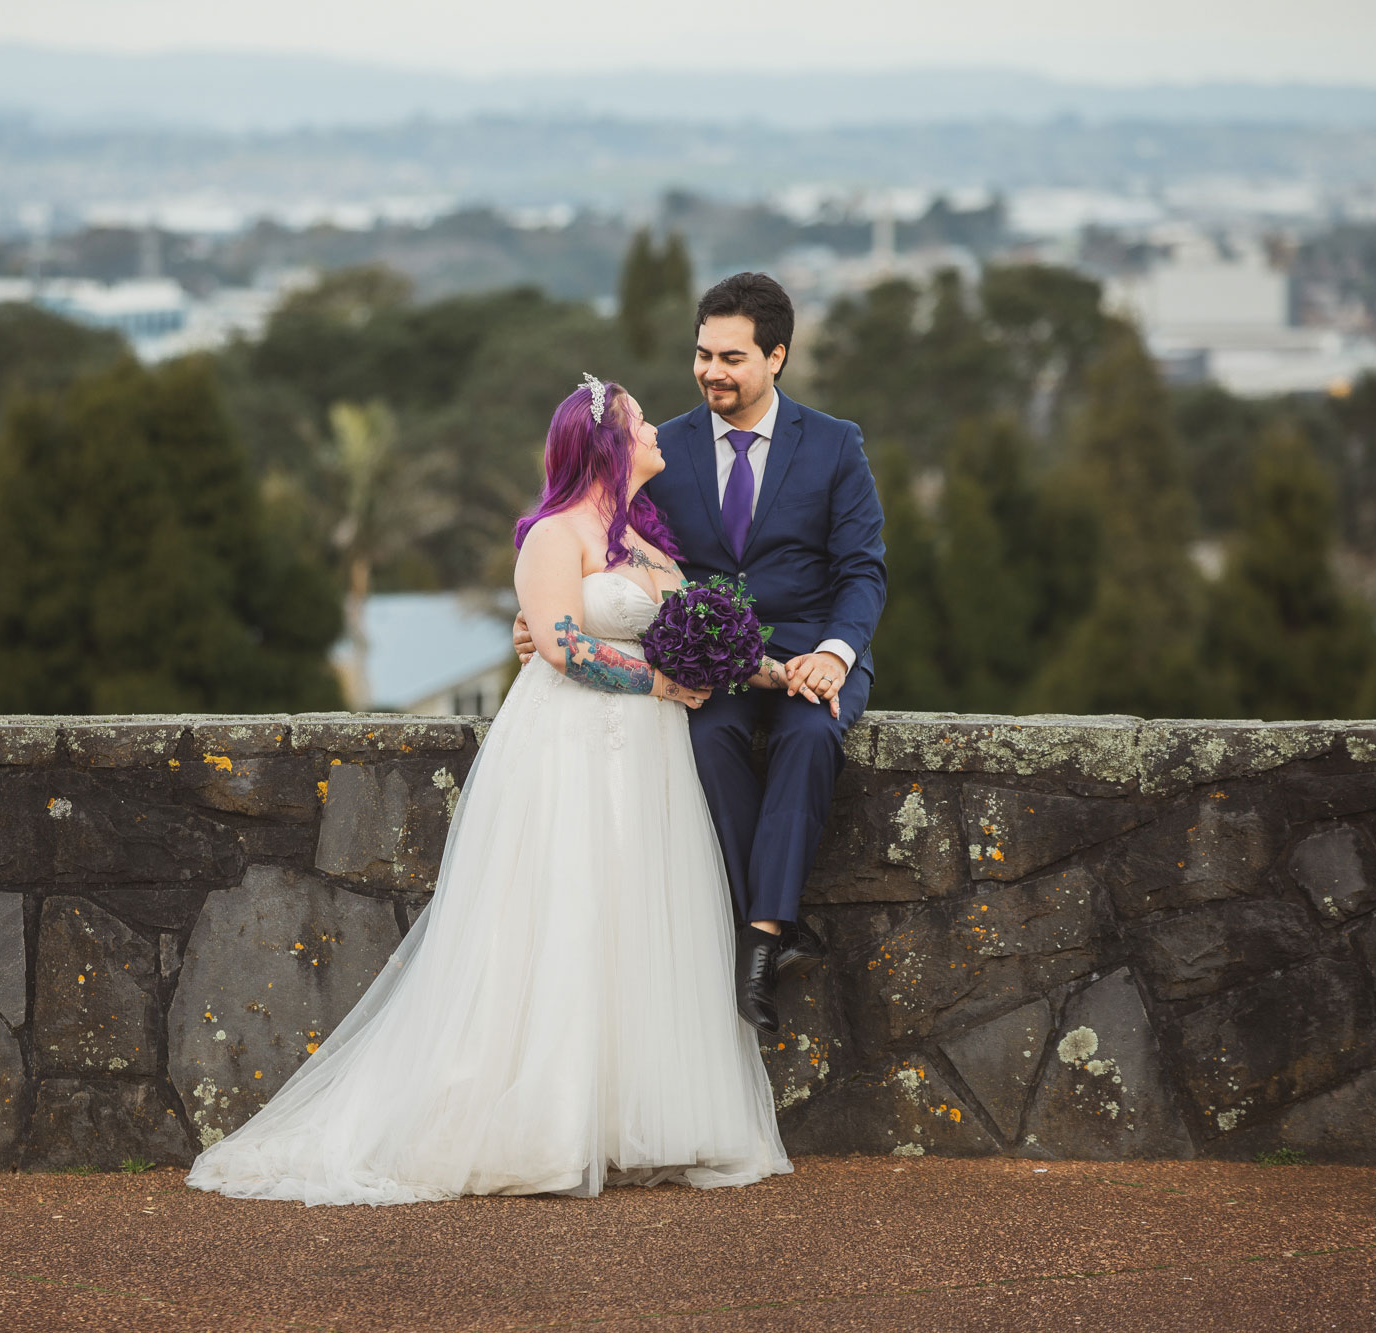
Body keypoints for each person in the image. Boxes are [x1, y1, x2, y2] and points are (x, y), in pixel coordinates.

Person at [185, 375, 793, 1206]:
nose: (657, 429)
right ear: (607, 445)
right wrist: (656, 684)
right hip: (572, 747)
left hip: (650, 762)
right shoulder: (555, 534)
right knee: (565, 915)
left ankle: (632, 1120)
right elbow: (559, 642)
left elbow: (700, 642)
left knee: (636, 916)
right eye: (640, 422)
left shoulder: (652, 549)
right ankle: (547, 1121)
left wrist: (774, 668)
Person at [516, 273, 887, 1036]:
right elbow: (601, 553)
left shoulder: (836, 443)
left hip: (812, 651)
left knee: (811, 737)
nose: (712, 370)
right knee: (711, 738)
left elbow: (863, 570)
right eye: (702, 353)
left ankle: (761, 937)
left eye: (732, 356)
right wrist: (541, 625)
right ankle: (767, 928)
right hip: (707, 662)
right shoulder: (659, 448)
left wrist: (835, 654)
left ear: (776, 356)